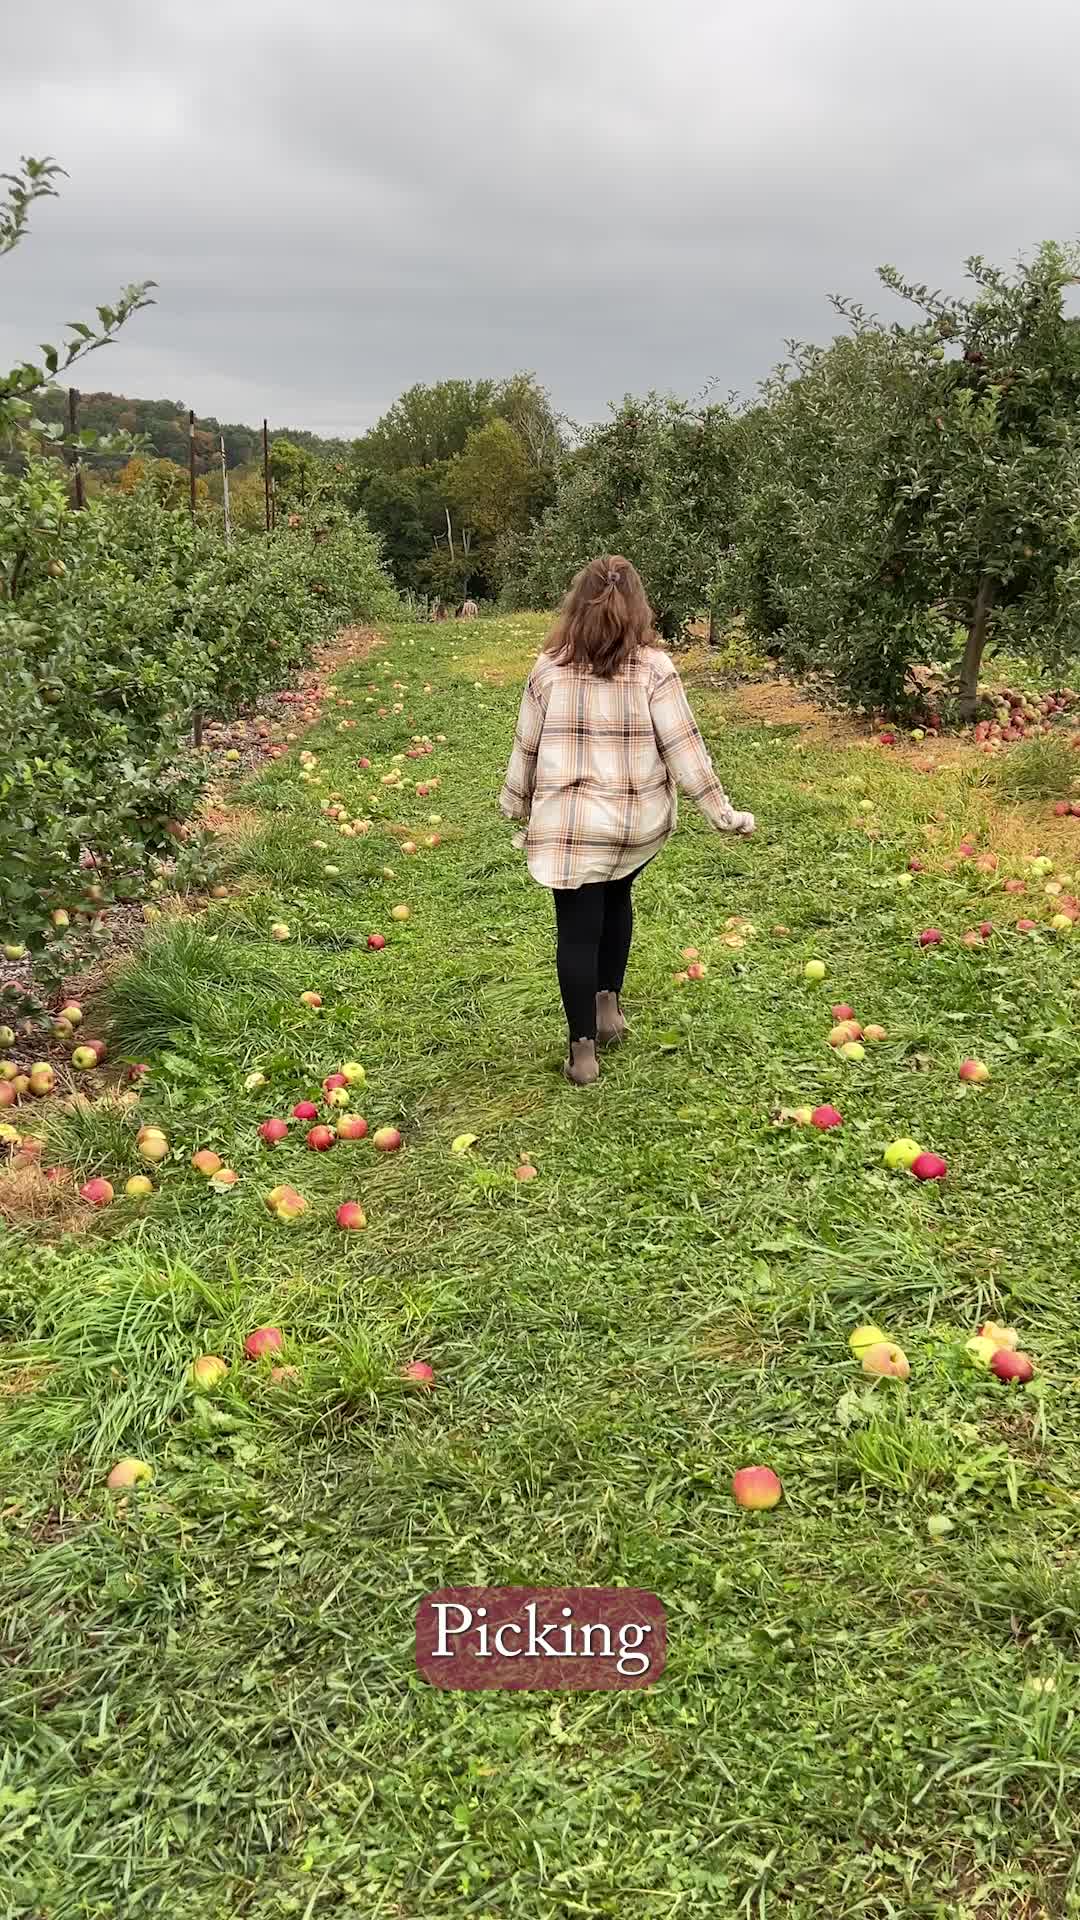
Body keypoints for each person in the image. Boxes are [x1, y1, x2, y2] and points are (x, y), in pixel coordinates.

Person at [499, 555, 755, 1085]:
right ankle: (608, 1005)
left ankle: (583, 1051)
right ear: (639, 605)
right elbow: (685, 750)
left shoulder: (549, 669)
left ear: (575, 604)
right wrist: (722, 814)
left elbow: (527, 746)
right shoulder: (654, 669)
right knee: (616, 894)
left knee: (576, 930)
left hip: (571, 829)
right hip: (634, 822)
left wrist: (517, 804)